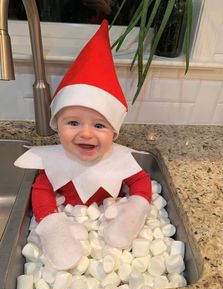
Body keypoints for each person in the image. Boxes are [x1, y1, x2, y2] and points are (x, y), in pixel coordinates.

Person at [15, 20, 152, 271]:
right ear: (57, 123)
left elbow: (141, 182)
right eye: (74, 123)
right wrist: (54, 226)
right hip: (69, 220)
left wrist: (134, 209)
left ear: (114, 131)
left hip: (109, 238)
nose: (86, 134)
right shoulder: (54, 161)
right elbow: (42, 190)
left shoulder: (119, 159)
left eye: (99, 126)